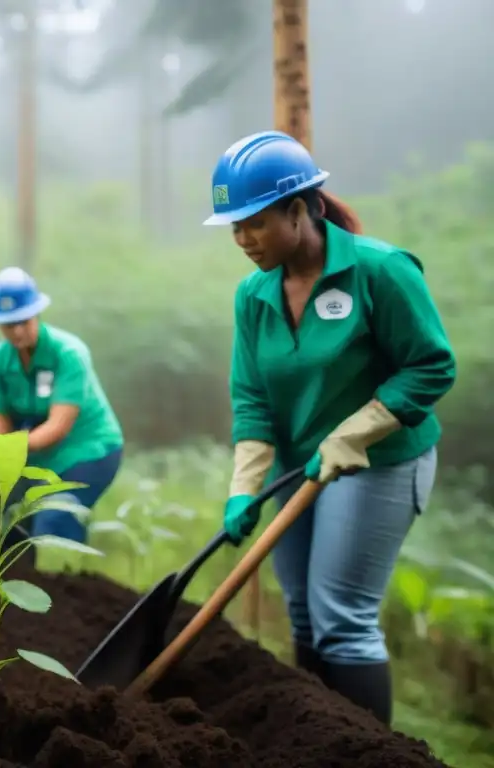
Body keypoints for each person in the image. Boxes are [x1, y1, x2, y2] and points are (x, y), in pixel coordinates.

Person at [205, 130, 456, 725]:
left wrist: (353, 434)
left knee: (341, 615)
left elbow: (432, 366)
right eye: (234, 228)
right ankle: (316, 742)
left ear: (301, 209)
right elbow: (251, 397)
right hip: (298, 463)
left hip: (383, 459)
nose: (243, 240)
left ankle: (370, 752)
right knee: (303, 614)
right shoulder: (254, 294)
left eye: (255, 223)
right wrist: (245, 484)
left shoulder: (381, 271)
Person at [0, 266, 124, 566]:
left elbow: (58, 426)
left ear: (36, 314)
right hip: (33, 454)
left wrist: (10, 450)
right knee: (10, 529)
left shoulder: (69, 353)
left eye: (22, 321)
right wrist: (2, 462)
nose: (17, 330)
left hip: (87, 450)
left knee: (54, 519)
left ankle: (68, 594)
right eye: (8, 324)